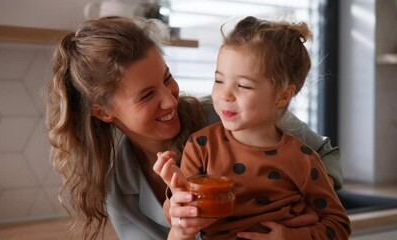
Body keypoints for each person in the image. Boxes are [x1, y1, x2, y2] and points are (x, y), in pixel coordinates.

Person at [45, 16, 343, 240]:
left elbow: (322, 154)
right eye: (147, 95)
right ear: (103, 111)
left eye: (167, 78)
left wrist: (308, 214)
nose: (169, 99)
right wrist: (180, 229)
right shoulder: (121, 191)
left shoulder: (231, 115)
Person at [155, 16, 351, 240]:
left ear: (283, 95)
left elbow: (339, 226)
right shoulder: (201, 146)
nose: (225, 95)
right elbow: (178, 220)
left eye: (244, 86)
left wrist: (288, 237)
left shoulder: (304, 159)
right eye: (219, 81)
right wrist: (177, 197)